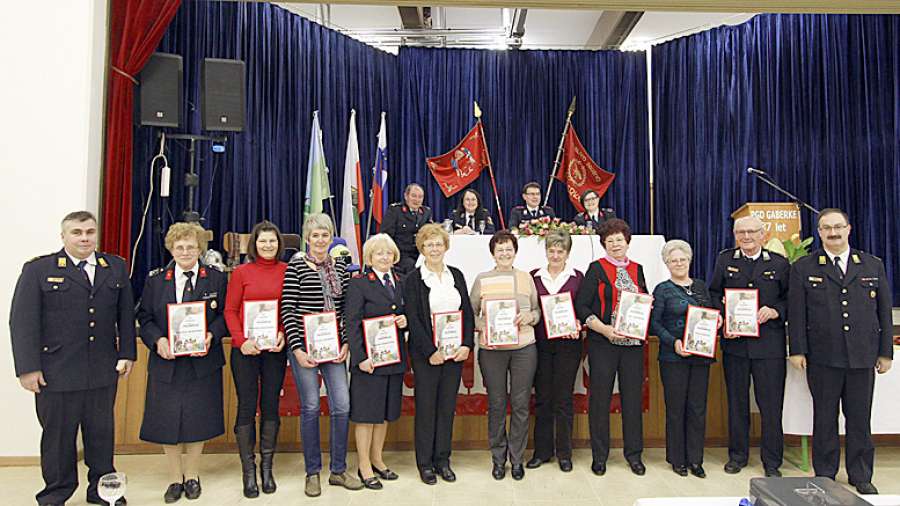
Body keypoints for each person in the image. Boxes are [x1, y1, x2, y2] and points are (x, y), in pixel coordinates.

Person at [9, 211, 135, 506]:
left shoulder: (114, 267)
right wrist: (28, 368)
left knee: (102, 436)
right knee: (58, 438)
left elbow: (125, 315)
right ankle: (56, 493)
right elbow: (23, 322)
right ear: (63, 236)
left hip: (102, 370)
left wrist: (127, 353)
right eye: (77, 232)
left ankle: (103, 491)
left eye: (90, 232)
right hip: (57, 372)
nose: (84, 238)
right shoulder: (39, 270)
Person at [788, 208, 892, 495]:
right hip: (823, 357)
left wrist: (885, 353)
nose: (832, 233)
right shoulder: (805, 267)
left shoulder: (872, 265)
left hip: (862, 356)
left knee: (859, 418)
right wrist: (797, 350)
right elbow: (797, 314)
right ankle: (825, 473)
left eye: (838, 227)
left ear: (849, 229)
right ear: (819, 232)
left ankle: (860, 474)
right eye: (826, 228)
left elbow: (883, 312)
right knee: (824, 417)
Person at [135, 222, 228, 503]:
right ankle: (175, 477)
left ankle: (192, 474)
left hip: (203, 361)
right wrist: (158, 341)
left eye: (191, 246)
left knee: (198, 418)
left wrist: (212, 334)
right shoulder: (155, 279)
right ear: (171, 249)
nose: (185, 251)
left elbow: (226, 315)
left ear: (200, 248)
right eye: (179, 247)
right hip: (167, 360)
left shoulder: (215, 278)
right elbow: (145, 318)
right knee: (167, 420)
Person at [281, 213, 364, 497]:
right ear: (307, 238)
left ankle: (338, 470)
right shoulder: (295, 267)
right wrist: (297, 349)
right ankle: (312, 472)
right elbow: (288, 310)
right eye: (315, 235)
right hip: (305, 349)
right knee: (312, 406)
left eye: (325, 235)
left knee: (342, 405)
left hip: (334, 349)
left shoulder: (340, 269)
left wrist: (345, 345)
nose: (320, 240)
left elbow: (343, 311)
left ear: (331, 238)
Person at [708, 215, 790, 477]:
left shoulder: (779, 263)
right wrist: (723, 318)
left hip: (769, 347)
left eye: (752, 232)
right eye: (741, 232)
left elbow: (792, 300)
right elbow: (713, 293)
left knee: (770, 405)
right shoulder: (725, 260)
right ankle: (738, 456)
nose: (746, 237)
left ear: (763, 235)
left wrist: (775, 311)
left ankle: (772, 461)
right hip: (736, 347)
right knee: (737, 403)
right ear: (734, 235)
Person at [575, 218, 647, 477]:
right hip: (602, 343)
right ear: (604, 244)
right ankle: (600, 456)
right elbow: (582, 307)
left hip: (632, 346)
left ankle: (634, 454)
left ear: (627, 242)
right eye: (610, 240)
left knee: (632, 400)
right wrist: (604, 329)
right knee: (600, 400)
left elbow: (645, 303)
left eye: (620, 239)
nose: (616, 244)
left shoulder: (638, 269)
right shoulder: (596, 269)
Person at [403, 224, 475, 484]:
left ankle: (443, 460)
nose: (434, 248)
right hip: (427, 356)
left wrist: (467, 344)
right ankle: (425, 463)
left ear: (446, 247)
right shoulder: (413, 279)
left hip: (454, 354)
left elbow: (466, 311)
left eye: (438, 244)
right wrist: (430, 351)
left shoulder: (456, 274)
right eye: (429, 244)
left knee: (447, 408)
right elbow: (413, 318)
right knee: (426, 409)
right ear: (422, 248)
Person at [223, 221, 288, 498]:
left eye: (272, 241)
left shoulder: (287, 271)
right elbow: (230, 310)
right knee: (247, 405)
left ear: (279, 243)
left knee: (271, 405)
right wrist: (241, 341)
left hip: (275, 350)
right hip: (246, 351)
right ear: (254, 244)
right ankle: (248, 471)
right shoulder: (241, 273)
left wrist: (284, 333)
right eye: (263, 241)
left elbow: (291, 308)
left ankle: (267, 468)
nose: (268, 246)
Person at [470, 230, 540, 481]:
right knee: (497, 404)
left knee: (521, 405)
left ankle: (517, 459)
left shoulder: (525, 278)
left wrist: (529, 317)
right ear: (492, 253)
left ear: (515, 251)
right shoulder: (482, 279)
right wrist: (484, 325)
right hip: (492, 351)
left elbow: (536, 311)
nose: (504, 253)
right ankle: (498, 459)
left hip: (523, 348)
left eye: (509, 248)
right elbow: (472, 314)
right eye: (499, 249)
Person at [346, 234, 408, 490]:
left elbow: (405, 312)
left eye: (388, 253)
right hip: (369, 362)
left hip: (393, 359)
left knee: (383, 414)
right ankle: (363, 466)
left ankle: (377, 459)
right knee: (366, 415)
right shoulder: (359, 283)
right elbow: (351, 322)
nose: (384, 257)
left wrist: (406, 321)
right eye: (378, 253)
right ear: (369, 257)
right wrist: (360, 358)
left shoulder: (401, 281)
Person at [650, 240, 715, 478]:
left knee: (697, 408)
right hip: (672, 356)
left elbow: (710, 312)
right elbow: (654, 323)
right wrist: (673, 342)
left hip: (700, 356)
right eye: (673, 260)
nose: (678, 263)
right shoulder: (662, 289)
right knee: (676, 408)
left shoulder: (700, 286)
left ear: (689, 260)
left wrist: (716, 322)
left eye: (682, 259)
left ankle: (696, 459)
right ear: (666, 263)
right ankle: (677, 459)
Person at [525, 229, 583, 473]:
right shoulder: (533, 277)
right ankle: (542, 451)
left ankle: (565, 453)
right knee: (543, 398)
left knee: (564, 399)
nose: (556, 255)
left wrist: (579, 322)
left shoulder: (578, 277)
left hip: (568, 345)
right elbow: (528, 306)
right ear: (546, 251)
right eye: (552, 250)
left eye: (561, 251)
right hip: (540, 344)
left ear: (568, 253)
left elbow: (584, 307)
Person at [380, 183, 433, 275]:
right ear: (406, 196)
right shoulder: (395, 211)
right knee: (412, 269)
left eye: (420, 197)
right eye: (413, 196)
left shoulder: (426, 212)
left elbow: (431, 232)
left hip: (420, 253)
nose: (417, 200)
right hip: (401, 254)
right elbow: (386, 237)